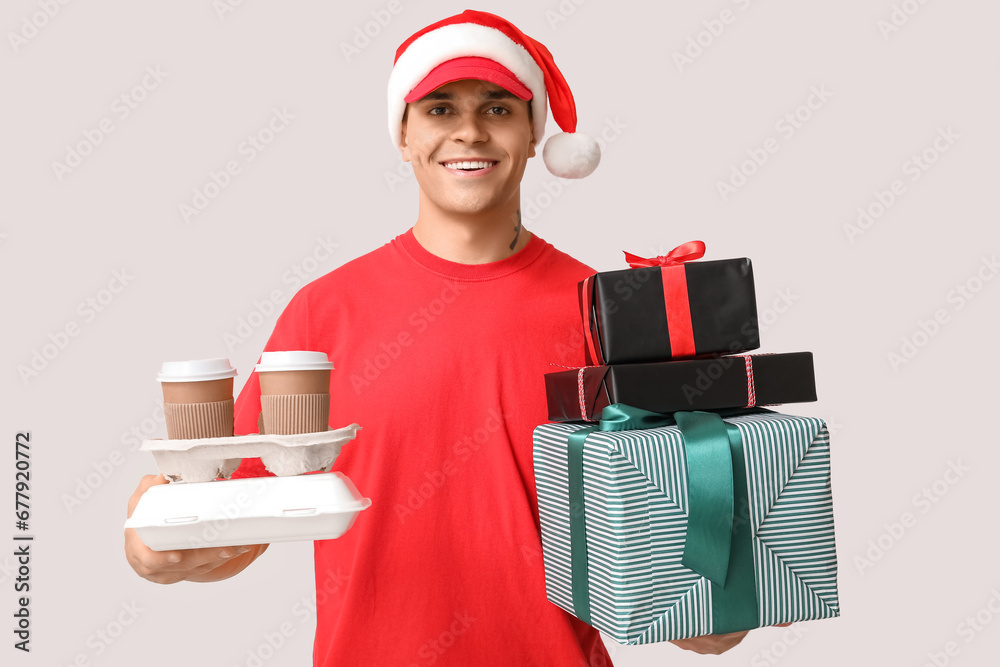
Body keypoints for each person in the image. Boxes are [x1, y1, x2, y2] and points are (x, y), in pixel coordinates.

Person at [124, 9, 760, 664]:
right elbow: (244, 522)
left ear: (533, 132)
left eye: (497, 108)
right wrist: (171, 551)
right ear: (402, 134)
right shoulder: (324, 312)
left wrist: (722, 592)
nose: (469, 131)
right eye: (438, 109)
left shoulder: (606, 315)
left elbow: (686, 588)